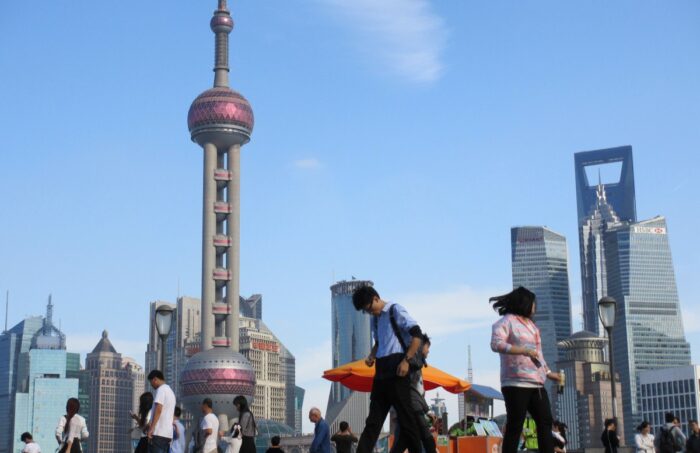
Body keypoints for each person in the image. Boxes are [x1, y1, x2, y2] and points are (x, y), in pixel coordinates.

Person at [352, 286, 424, 453]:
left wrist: (406, 360)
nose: (370, 313)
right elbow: (378, 342)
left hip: (398, 368)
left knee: (407, 420)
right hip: (381, 370)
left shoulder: (395, 310)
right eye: (366, 311)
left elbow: (417, 335)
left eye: (370, 308)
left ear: (376, 298)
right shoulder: (375, 320)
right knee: (373, 422)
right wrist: (371, 356)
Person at [490, 287, 561, 453]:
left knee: (545, 421)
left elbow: (539, 355)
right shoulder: (505, 322)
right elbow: (496, 344)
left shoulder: (533, 327)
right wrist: (521, 350)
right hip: (515, 382)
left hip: (536, 383)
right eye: (533, 303)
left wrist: (550, 374)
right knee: (516, 424)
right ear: (524, 303)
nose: (535, 306)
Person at [390, 334, 436, 453]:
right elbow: (412, 391)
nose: (428, 350)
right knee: (428, 439)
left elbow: (418, 392)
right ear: (421, 347)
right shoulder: (413, 364)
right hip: (414, 407)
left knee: (404, 441)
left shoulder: (417, 364)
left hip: (410, 407)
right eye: (427, 347)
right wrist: (427, 410)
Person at [147, 370, 177, 453]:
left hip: (159, 433)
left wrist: (151, 428)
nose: (151, 385)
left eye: (151, 382)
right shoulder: (171, 392)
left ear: (155, 379)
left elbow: (159, 409)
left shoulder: (161, 390)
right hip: (168, 434)